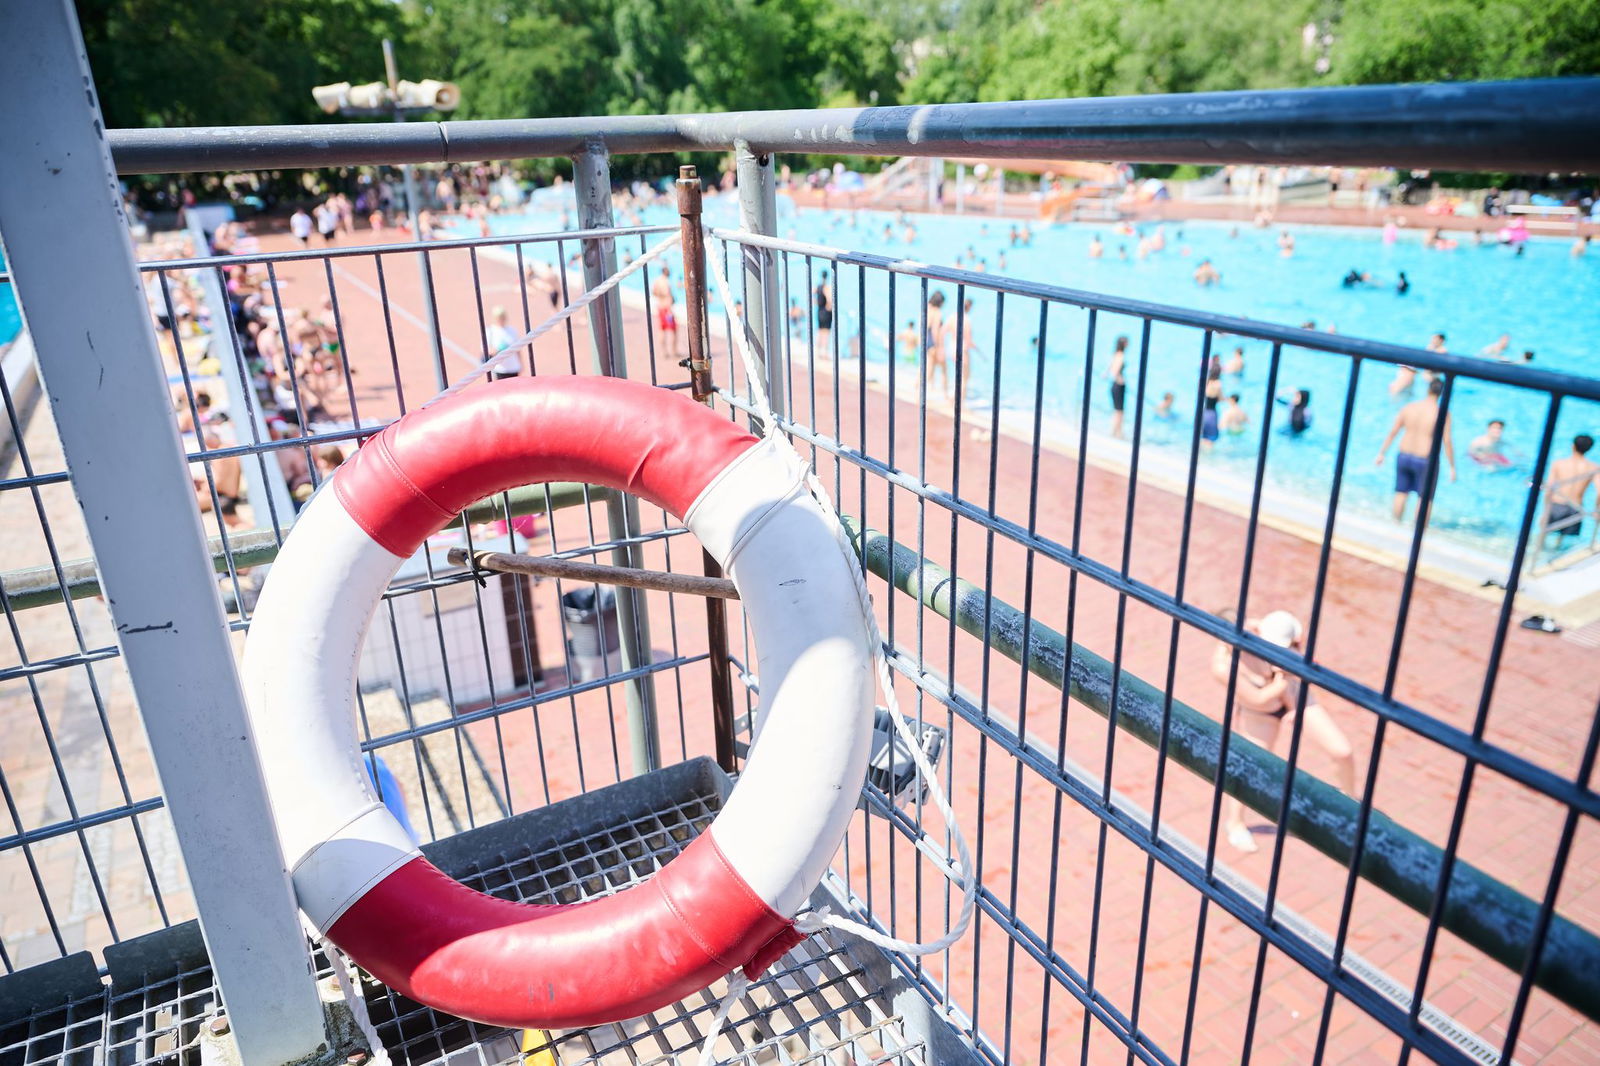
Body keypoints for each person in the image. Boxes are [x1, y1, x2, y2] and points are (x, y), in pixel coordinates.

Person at [1213, 609, 1357, 854]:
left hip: (1294, 696)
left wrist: (1294, 656)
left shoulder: (1260, 627)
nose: (1248, 638)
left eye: (1248, 631)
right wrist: (1283, 676)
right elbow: (1258, 698)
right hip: (1260, 711)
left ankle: (1351, 805)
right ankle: (1235, 822)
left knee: (1342, 751)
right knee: (1249, 768)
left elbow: (1297, 648)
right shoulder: (1223, 666)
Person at [1375, 377, 1456, 522]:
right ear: (1441, 393)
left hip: (1404, 455)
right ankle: (1418, 533)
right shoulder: (1442, 413)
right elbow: (1447, 441)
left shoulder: (1409, 407)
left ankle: (1395, 525)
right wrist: (1452, 466)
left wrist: (1382, 453)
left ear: (1428, 389)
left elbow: (1393, 431)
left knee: (1401, 493)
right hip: (1425, 460)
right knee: (1424, 498)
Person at [1545, 435, 1599, 541]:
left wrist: (1545, 511)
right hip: (1576, 507)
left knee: (1545, 534)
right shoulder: (1594, 467)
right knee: (1562, 538)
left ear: (1573, 446)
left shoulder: (1559, 464)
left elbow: (1549, 489)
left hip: (1557, 504)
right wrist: (1596, 509)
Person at [925, 291, 950, 400]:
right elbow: (935, 330)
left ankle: (918, 388)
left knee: (929, 367)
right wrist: (939, 347)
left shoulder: (927, 308)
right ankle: (945, 395)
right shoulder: (937, 312)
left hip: (926, 340)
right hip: (934, 341)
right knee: (943, 368)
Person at [485, 306, 521, 379]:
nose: (501, 319)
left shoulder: (512, 330)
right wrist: (498, 350)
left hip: (513, 367)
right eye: (499, 317)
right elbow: (486, 350)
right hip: (500, 369)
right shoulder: (490, 331)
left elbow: (518, 350)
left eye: (502, 317)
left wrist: (520, 364)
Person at [652, 265, 679, 359]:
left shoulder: (657, 281)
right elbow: (668, 295)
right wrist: (670, 309)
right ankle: (674, 351)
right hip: (667, 309)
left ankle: (664, 352)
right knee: (674, 331)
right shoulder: (667, 282)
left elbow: (654, 292)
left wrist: (661, 296)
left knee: (662, 330)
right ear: (666, 272)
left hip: (660, 308)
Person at [1108, 335, 1128, 439]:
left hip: (1114, 385)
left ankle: (1116, 432)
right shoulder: (1121, 355)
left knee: (1117, 410)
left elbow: (1110, 368)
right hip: (1119, 385)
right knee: (1119, 411)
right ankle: (1117, 433)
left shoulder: (1116, 354)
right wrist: (1120, 379)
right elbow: (1114, 371)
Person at [814, 270, 833, 354]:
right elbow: (830, 300)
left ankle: (817, 350)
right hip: (826, 312)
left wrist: (816, 302)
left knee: (819, 331)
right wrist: (829, 308)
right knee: (826, 333)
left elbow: (811, 294)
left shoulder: (818, 287)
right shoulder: (827, 288)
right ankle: (825, 352)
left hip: (819, 311)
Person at [1201, 377, 1222, 447]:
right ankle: (1209, 457)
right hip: (1212, 413)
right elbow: (1220, 398)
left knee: (1203, 436)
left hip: (1204, 412)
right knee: (1211, 439)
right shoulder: (1218, 385)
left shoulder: (1206, 384)